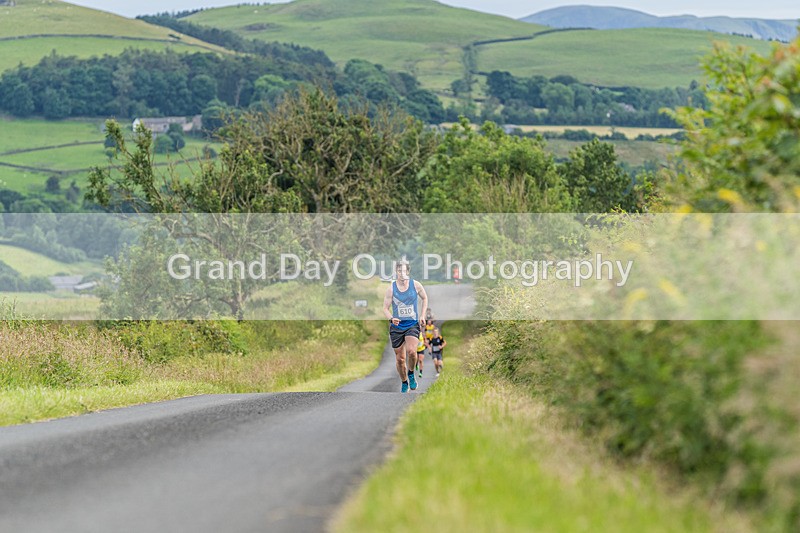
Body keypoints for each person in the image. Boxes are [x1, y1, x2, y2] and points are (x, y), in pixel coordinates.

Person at [383, 259, 428, 393]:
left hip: (412, 324)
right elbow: (385, 308)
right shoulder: (391, 289)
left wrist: (422, 315)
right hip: (397, 327)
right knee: (400, 359)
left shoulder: (416, 285)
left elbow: (425, 298)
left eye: (404, 271)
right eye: (399, 271)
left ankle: (411, 374)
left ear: (408, 272)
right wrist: (391, 318)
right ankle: (404, 382)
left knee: (412, 352)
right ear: (396, 272)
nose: (402, 274)